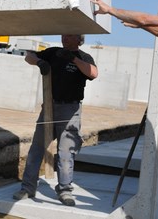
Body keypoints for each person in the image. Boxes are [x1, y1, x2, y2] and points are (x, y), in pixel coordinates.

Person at [12, 34, 98, 206]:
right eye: (63, 35)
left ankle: (65, 191)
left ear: (79, 39)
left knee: (66, 153)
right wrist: (39, 62)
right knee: (37, 148)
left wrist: (74, 59)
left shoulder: (84, 57)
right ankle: (28, 188)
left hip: (70, 110)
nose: (65, 38)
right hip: (49, 108)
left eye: (70, 36)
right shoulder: (53, 53)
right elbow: (29, 55)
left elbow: (93, 73)